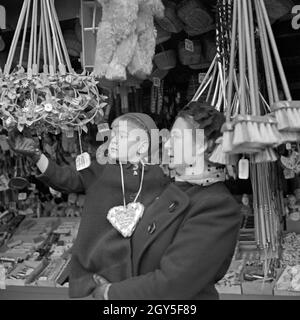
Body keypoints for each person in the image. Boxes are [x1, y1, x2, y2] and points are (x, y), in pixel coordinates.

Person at [91, 102, 242, 300]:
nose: (168, 144)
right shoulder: (169, 188)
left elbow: (175, 282)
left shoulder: (217, 206)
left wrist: (111, 293)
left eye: (176, 138)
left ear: (202, 145)